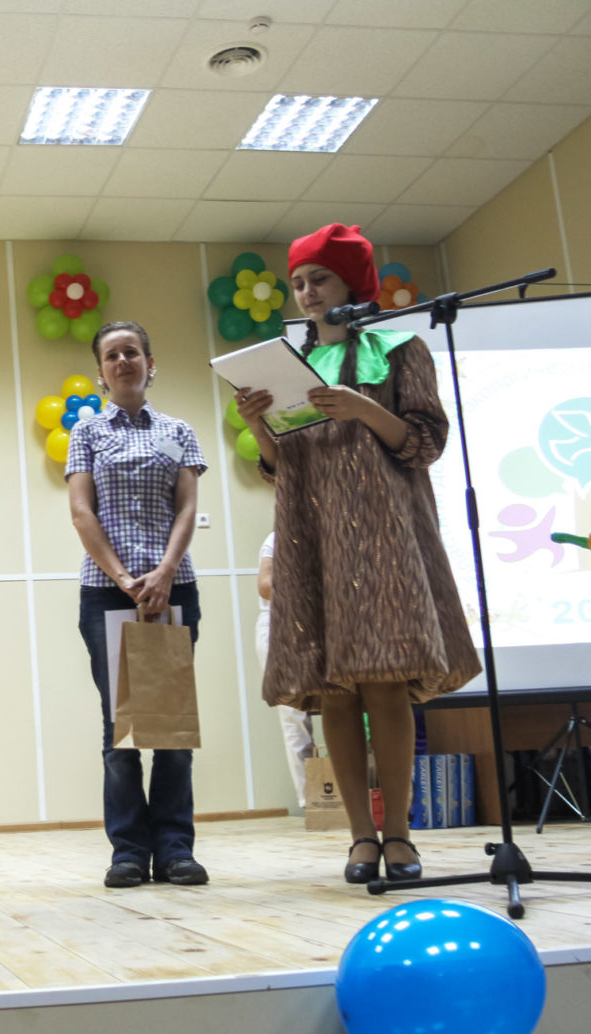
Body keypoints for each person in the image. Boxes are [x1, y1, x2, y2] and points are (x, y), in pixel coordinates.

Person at [235, 223, 479, 884]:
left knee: (385, 685)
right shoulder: (290, 364)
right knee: (334, 692)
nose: (306, 292)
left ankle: (399, 834)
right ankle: (359, 838)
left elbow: (425, 442)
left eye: (319, 279)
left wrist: (361, 408)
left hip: (385, 538)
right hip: (314, 540)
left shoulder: (400, 350)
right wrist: (258, 424)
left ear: (352, 284)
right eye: (297, 283)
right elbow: (281, 468)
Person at [66, 321, 210, 889]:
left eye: (132, 352)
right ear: (101, 373)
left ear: (151, 363)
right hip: (108, 591)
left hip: (173, 588)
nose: (123, 361)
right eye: (112, 355)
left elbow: (187, 507)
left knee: (171, 728)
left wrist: (165, 572)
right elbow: (82, 513)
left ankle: (175, 850)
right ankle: (128, 852)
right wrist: (126, 579)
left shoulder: (178, 431)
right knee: (120, 728)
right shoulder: (87, 432)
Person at [255, 532, 314, 807]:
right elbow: (265, 586)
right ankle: (311, 801)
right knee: (294, 715)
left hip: (319, 625)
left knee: (340, 707)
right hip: (280, 627)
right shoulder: (277, 538)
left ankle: (344, 798)